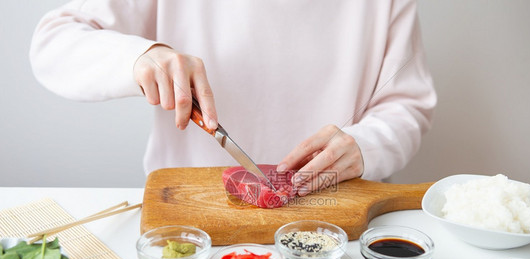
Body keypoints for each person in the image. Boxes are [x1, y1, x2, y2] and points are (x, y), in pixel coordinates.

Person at [30, 0, 436, 196]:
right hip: (189, 214)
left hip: (340, 218)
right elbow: (55, 42)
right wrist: (139, 57)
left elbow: (406, 104)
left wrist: (367, 145)